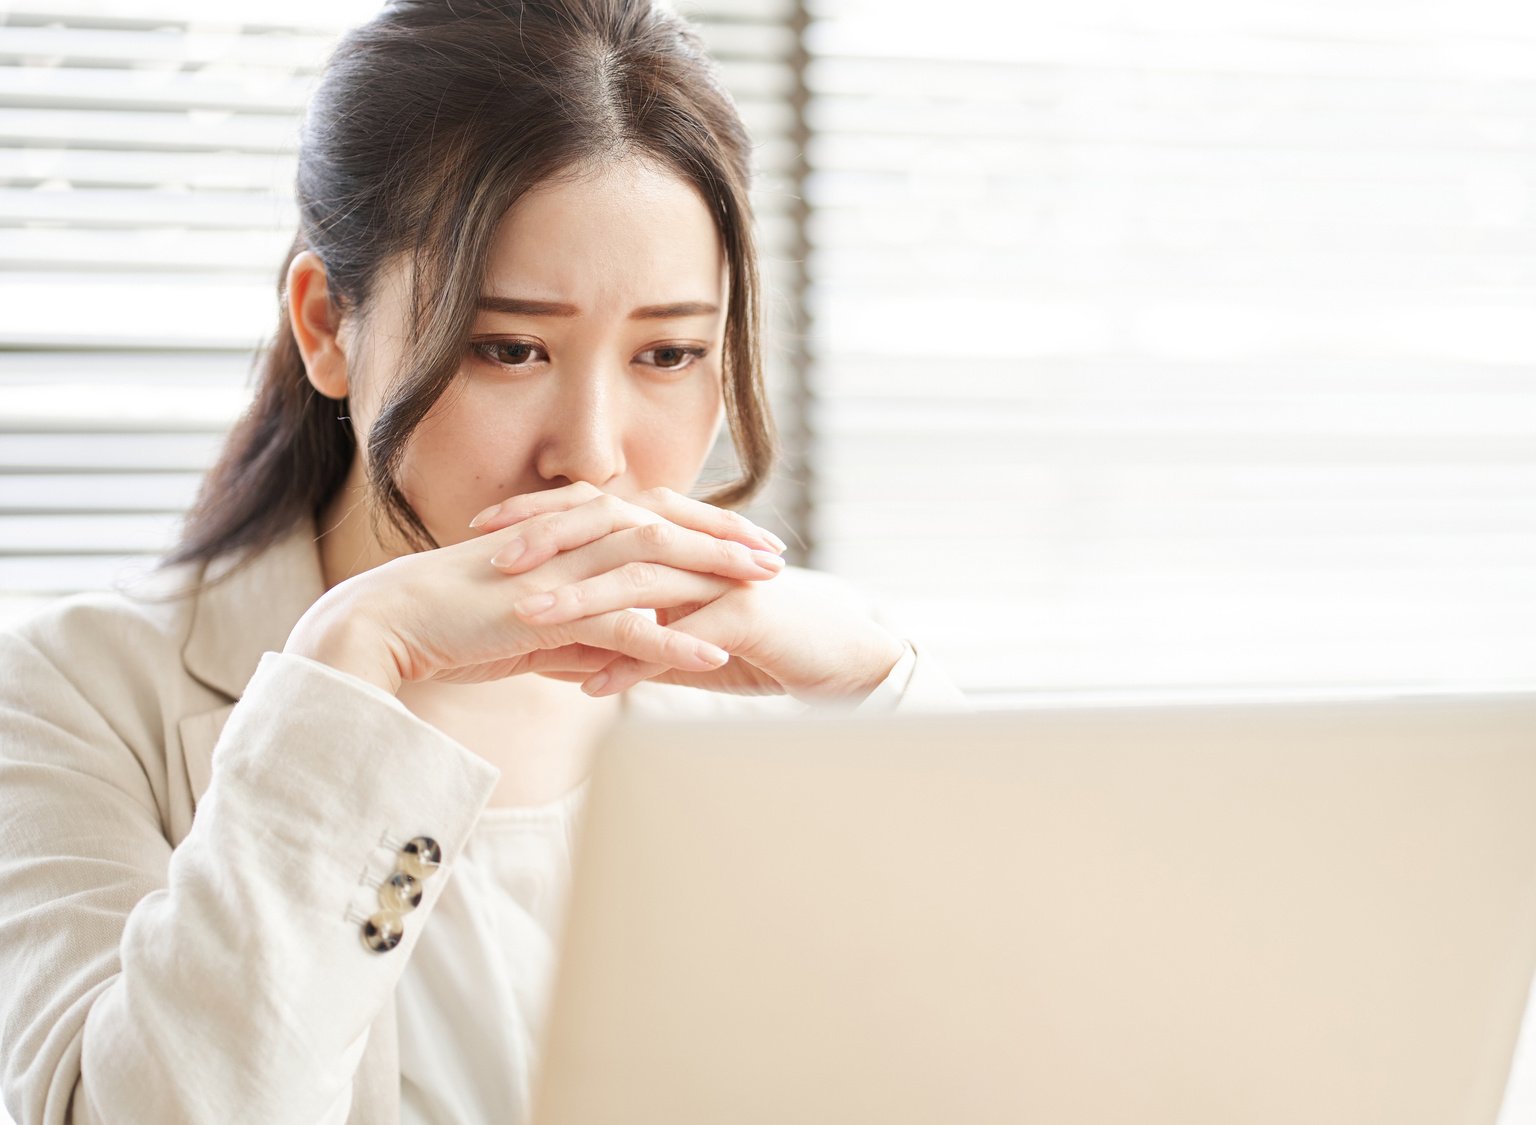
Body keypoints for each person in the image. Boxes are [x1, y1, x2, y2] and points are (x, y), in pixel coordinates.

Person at [0, 1, 966, 1121]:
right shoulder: (74, 695)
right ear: (326, 326)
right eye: (509, 348)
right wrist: (346, 672)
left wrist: (884, 688)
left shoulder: (781, 698)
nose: (592, 454)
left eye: (668, 352)